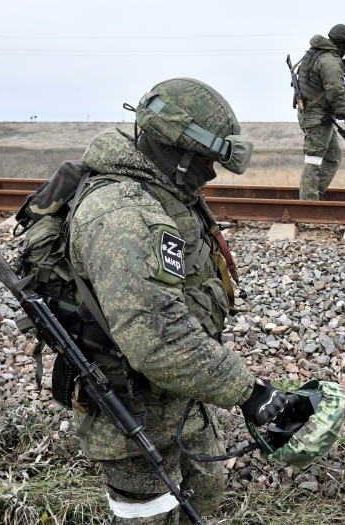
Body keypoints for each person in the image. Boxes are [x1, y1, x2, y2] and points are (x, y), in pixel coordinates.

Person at [66, 78, 288, 524]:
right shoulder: (124, 215)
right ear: (177, 150)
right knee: (151, 516)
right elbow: (157, 337)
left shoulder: (164, 188)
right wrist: (250, 392)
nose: (212, 171)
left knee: (205, 487)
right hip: (128, 408)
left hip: (177, 392)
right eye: (207, 159)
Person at [295, 24, 345, 201]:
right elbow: (336, 91)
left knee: (333, 157)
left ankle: (312, 195)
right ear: (341, 43)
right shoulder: (329, 60)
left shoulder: (317, 52)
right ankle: (308, 205)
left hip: (319, 114)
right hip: (316, 116)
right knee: (314, 159)